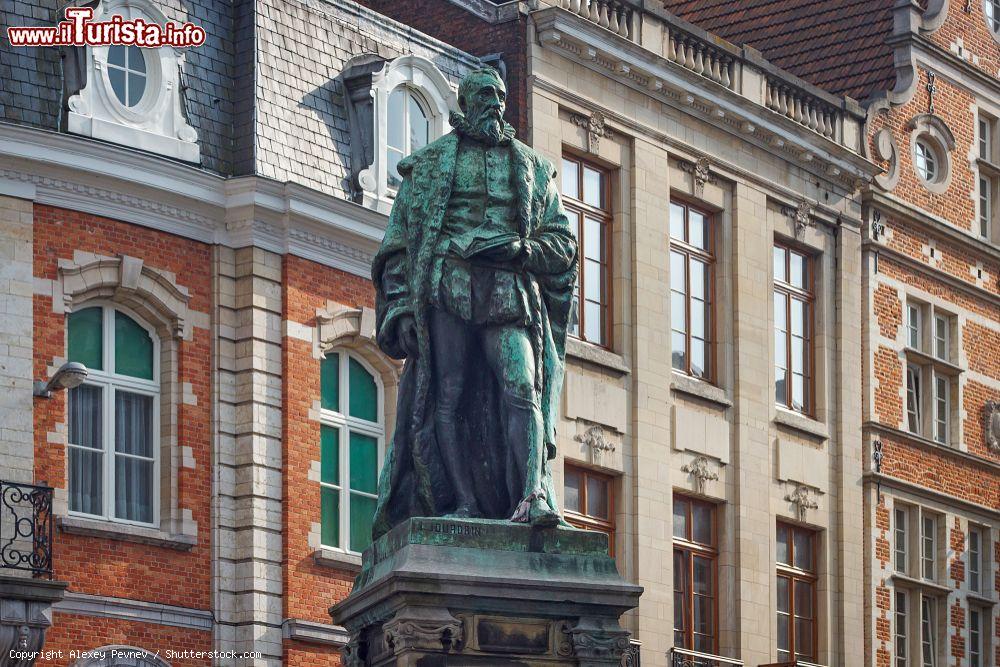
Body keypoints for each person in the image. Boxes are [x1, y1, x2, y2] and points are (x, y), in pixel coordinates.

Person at [370, 66, 579, 539]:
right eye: (485, 95)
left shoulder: (532, 167)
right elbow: (398, 245)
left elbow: (562, 243)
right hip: (449, 287)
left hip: (508, 290)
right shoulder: (427, 167)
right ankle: (459, 500)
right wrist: (401, 305)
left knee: (521, 386)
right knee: (449, 396)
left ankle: (533, 497)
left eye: (500, 96)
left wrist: (521, 250)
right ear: (465, 103)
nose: (496, 105)